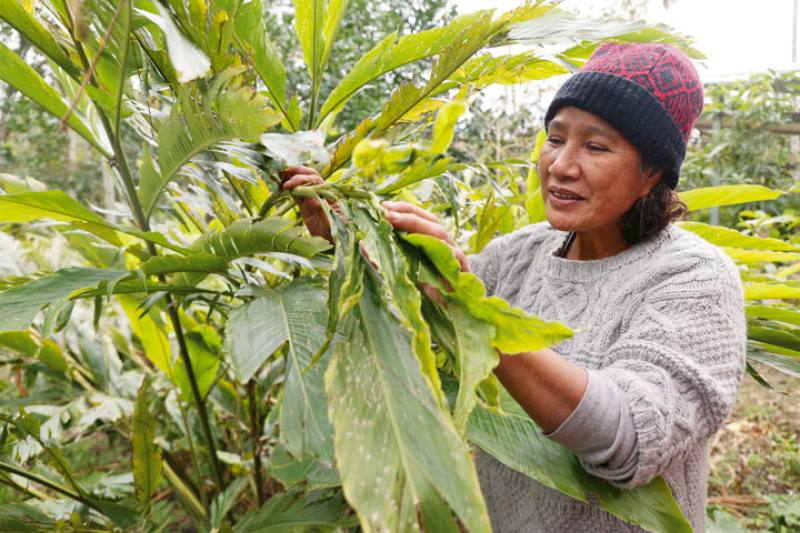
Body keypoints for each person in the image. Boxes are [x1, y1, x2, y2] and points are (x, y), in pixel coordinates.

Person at [282, 42, 746, 532]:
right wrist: (352, 233)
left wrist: (470, 304)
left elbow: (627, 435)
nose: (561, 166)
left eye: (595, 146)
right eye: (555, 138)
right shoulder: (522, 253)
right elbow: (430, 310)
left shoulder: (694, 277)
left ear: (651, 173)